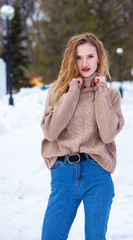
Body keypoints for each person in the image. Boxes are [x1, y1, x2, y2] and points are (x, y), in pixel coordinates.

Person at [40, 32, 125, 240]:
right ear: (71, 59)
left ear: (99, 58)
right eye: (78, 57)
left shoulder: (110, 95)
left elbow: (107, 134)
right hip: (63, 174)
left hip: (97, 174)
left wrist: (101, 90)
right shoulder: (58, 91)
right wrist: (73, 90)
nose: (85, 63)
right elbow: (50, 132)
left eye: (90, 56)